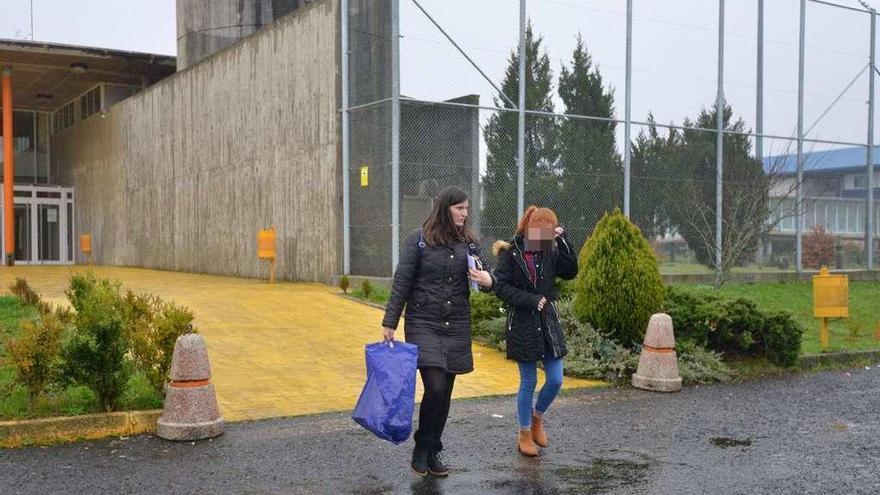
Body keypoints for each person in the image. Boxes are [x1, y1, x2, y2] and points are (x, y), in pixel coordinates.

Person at [381, 185, 495, 477]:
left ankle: (432, 452)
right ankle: (422, 447)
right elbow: (402, 282)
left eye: (467, 209)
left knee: (444, 395)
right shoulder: (418, 241)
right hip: (423, 323)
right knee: (436, 386)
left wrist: (487, 279)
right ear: (445, 208)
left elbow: (484, 279)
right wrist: (390, 322)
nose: (465, 213)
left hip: (456, 324)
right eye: (460, 208)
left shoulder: (469, 243)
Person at [491, 206, 578, 457]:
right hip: (522, 323)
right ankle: (524, 433)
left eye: (551, 231)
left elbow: (571, 270)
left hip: (547, 322)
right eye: (545, 230)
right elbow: (501, 287)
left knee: (556, 378)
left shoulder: (549, 250)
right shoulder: (511, 253)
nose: (548, 235)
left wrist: (563, 239)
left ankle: (537, 417)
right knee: (528, 381)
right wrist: (531, 300)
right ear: (530, 228)